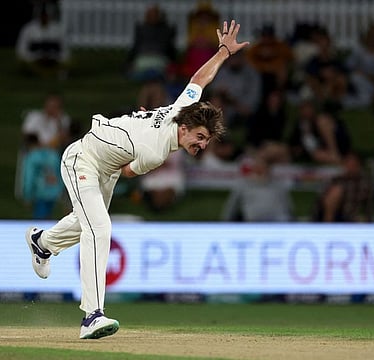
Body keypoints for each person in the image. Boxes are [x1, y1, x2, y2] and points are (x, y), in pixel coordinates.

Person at [24, 20, 249, 340]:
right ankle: (92, 315)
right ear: (184, 129)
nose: (201, 146)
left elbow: (199, 79)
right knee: (99, 227)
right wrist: (137, 130)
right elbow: (130, 170)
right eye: (199, 138)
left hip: (106, 167)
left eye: (205, 142)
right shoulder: (156, 151)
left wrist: (223, 52)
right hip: (82, 159)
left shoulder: (182, 108)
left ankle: (42, 243)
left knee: (83, 221)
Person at [221, 155, 294, 222]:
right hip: (254, 222)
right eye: (257, 167)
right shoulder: (243, 185)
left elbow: (288, 205)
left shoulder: (278, 185)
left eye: (263, 167)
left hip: (278, 222)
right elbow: (232, 206)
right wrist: (225, 222)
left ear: (268, 169)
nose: (260, 170)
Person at [15, 0, 70, 78]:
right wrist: (38, 57)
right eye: (42, 15)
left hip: (54, 58)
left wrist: (52, 57)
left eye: (46, 15)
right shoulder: (28, 29)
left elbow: (65, 50)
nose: (44, 18)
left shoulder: (59, 29)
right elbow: (21, 50)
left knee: (65, 61)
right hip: (34, 58)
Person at [313, 152, 373, 222]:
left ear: (358, 165)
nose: (350, 166)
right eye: (348, 163)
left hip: (350, 216)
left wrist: (367, 219)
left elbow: (367, 204)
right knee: (336, 191)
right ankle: (327, 225)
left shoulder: (364, 183)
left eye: (353, 164)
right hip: (333, 213)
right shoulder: (337, 180)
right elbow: (322, 199)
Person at [22, 133, 64, 219]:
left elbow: (29, 177)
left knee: (40, 221)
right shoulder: (53, 155)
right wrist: (60, 189)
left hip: (40, 192)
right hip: (54, 192)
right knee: (50, 221)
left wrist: (27, 195)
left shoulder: (32, 157)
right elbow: (60, 173)